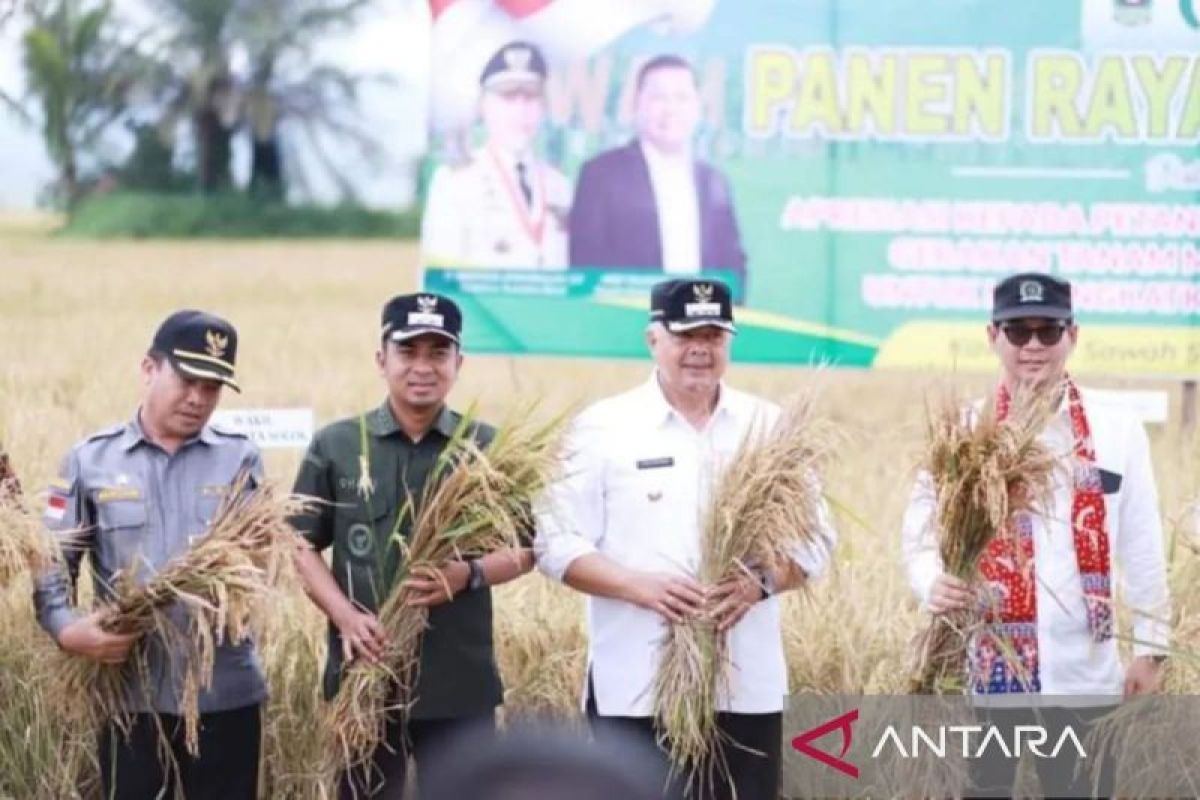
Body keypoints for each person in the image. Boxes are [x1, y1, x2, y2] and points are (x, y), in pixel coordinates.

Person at [534, 277, 835, 800]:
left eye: (714, 335)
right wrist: (637, 586)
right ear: (655, 339)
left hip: (745, 688)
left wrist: (760, 583)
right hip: (636, 687)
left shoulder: (768, 426)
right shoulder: (603, 427)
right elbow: (555, 544)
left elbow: (817, 541)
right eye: (685, 334)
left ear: (729, 342)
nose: (700, 349)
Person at [901, 271, 1172, 797]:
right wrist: (932, 582)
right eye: (1017, 331)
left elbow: (1141, 543)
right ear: (992, 336)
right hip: (985, 676)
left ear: (1073, 335)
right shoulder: (964, 431)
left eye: (1048, 331)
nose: (1033, 347)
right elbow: (917, 535)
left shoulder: (1116, 429)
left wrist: (1151, 648)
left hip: (1086, 676)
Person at [291, 292, 534, 799]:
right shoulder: (337, 445)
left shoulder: (487, 447)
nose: (422, 366)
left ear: (458, 363)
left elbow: (528, 549)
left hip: (458, 683)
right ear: (382, 360)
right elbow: (300, 545)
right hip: (365, 678)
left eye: (437, 353)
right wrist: (345, 617)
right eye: (408, 351)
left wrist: (466, 575)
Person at [33, 310, 264, 799]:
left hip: (224, 690)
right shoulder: (90, 460)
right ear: (148, 369)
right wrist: (68, 629)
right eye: (187, 381)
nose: (199, 398)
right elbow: (51, 562)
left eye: (213, 387)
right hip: (130, 696)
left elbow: (259, 561)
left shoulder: (240, 457)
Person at [568, 55, 747, 296]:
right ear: (636, 104)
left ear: (697, 107)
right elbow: (584, 265)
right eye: (658, 98)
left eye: (681, 98)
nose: (670, 109)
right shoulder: (601, 175)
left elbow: (733, 264)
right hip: (627, 326)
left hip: (702, 326)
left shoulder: (713, 181)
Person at [422, 41, 570, 269]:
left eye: (531, 98)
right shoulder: (455, 182)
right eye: (508, 98)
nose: (521, 111)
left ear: (544, 107)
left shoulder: (560, 185)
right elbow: (441, 280)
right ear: (483, 105)